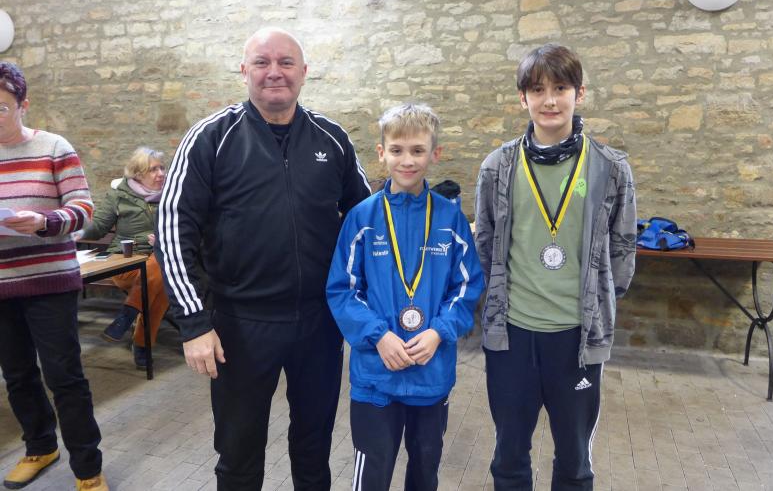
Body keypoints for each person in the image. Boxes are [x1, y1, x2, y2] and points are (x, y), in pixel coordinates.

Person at [156, 27, 371, 491]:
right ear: (244, 71)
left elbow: (367, 222)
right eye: (262, 62)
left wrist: (370, 306)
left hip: (319, 322)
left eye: (286, 62)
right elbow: (173, 228)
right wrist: (193, 322)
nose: (275, 72)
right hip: (240, 325)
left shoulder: (332, 138)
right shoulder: (210, 138)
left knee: (313, 447)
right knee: (238, 453)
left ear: (304, 72)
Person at [474, 44, 637, 490]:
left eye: (561, 88)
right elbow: (485, 244)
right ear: (522, 98)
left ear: (579, 94)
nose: (549, 100)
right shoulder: (497, 167)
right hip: (512, 336)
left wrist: (598, 303)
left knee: (575, 461)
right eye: (537, 89)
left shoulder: (610, 167)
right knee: (509, 457)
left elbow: (623, 249)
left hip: (576, 338)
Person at [327, 103, 484, 490]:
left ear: (435, 154)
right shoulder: (362, 218)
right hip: (376, 375)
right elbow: (343, 290)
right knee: (372, 474)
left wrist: (439, 332)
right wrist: (378, 335)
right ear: (382, 153)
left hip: (431, 373)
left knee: (425, 471)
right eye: (397, 150)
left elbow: (466, 287)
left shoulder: (450, 218)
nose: (407, 160)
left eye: (418, 150)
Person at [0, 62, 108, 491]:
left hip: (48, 281)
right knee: (17, 375)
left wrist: (44, 222)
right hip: (1, 286)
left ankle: (88, 470)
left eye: (1, 108)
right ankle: (40, 447)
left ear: (22, 105)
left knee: (64, 376)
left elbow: (83, 209)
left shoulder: (53, 147)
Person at [75, 147, 168, 369]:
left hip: (160, 258)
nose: (161, 174)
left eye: (162, 168)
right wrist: (76, 233)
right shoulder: (118, 195)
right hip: (126, 260)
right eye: (153, 169)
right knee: (163, 278)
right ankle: (141, 343)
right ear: (138, 174)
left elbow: (187, 226)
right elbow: (99, 226)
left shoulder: (173, 195)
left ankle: (127, 317)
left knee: (162, 269)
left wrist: (165, 240)